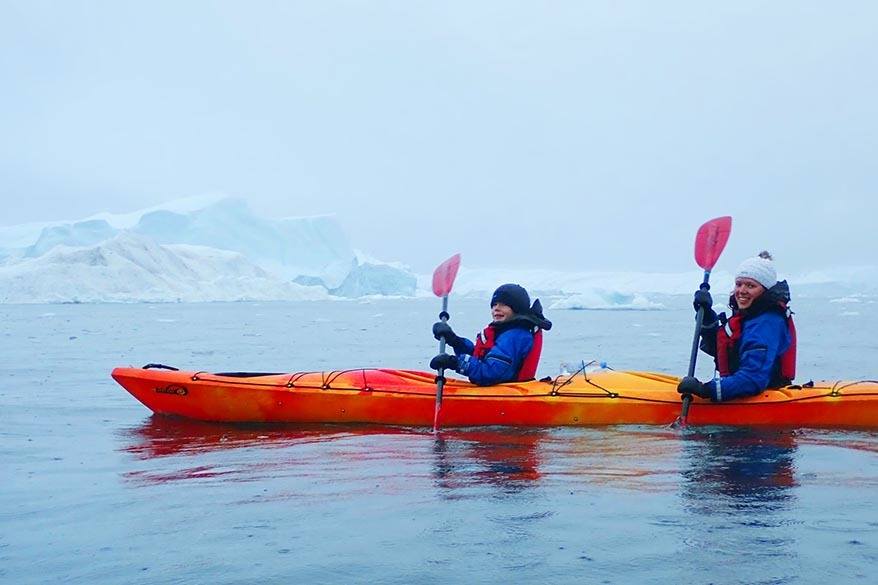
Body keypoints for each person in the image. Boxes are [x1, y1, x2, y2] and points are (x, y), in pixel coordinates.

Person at [678, 251, 797, 402]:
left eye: (750, 285)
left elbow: (752, 379)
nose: (742, 291)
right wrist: (707, 316)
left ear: (765, 289)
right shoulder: (749, 315)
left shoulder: (767, 322)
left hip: (761, 401)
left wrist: (706, 390)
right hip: (738, 392)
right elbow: (723, 349)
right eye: (739, 284)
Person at [429, 283, 552, 386]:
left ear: (517, 309)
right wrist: (455, 340)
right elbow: (480, 357)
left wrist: (454, 362)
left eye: (503, 304)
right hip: (496, 389)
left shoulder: (515, 336)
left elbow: (490, 373)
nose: (496, 308)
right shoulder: (506, 331)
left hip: (507, 395)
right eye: (494, 305)